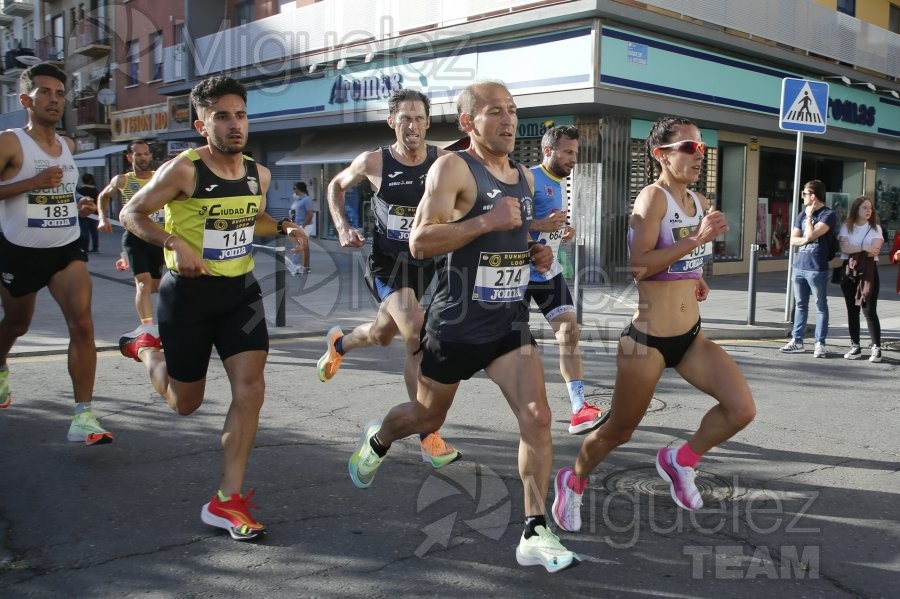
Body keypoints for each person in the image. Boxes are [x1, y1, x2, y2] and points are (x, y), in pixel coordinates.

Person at [347, 81, 580, 573]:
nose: (509, 120)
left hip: (506, 323)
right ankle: (380, 438)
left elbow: (516, 233)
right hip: (454, 325)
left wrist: (532, 250)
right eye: (496, 111)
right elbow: (420, 242)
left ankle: (535, 531)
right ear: (469, 122)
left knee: (537, 416)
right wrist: (485, 222)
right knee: (425, 419)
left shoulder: (522, 174)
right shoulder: (452, 167)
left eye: (513, 111)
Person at [117, 75, 308, 541]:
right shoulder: (183, 170)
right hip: (187, 296)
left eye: (240, 115)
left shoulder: (256, 173)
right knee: (187, 403)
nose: (234, 124)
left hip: (239, 293)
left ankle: (227, 500)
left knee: (251, 389)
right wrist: (173, 241)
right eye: (222, 116)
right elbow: (132, 214)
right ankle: (146, 348)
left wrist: (284, 227)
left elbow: (251, 220)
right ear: (202, 123)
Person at [551, 116, 755, 533]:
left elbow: (677, 258)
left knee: (741, 410)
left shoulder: (698, 200)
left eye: (702, 148)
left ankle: (681, 460)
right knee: (618, 431)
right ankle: (572, 482)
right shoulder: (652, 198)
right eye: (689, 148)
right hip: (646, 340)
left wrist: (694, 275)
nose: (699, 155)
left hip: (691, 338)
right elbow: (639, 266)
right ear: (661, 154)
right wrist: (696, 241)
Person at [320, 89, 460, 468]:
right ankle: (426, 431)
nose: (412, 125)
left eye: (419, 118)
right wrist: (342, 225)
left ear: (429, 123)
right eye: (405, 118)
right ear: (392, 122)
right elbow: (336, 185)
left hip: (426, 263)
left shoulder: (444, 161)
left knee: (383, 335)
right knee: (414, 331)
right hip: (387, 264)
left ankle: (340, 344)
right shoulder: (374, 161)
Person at [0, 64, 112, 444]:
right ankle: (0, 366)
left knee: (82, 324)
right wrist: (32, 182)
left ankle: (83, 416)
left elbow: (58, 192)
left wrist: (76, 203)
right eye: (45, 92)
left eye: (60, 93)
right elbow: (32, 187)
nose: (54, 99)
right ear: (25, 99)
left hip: (65, 247)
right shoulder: (10, 142)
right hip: (20, 252)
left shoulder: (68, 144)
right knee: (17, 324)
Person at [525, 125, 605, 435]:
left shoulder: (560, 183)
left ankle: (578, 407)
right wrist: (542, 225)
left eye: (576, 152)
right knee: (511, 349)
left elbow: (546, 227)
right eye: (568, 152)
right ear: (548, 151)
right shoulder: (529, 178)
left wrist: (561, 232)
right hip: (517, 272)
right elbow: (507, 222)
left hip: (547, 271)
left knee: (570, 331)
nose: (574, 158)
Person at [97, 140, 163, 327]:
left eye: (146, 154)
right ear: (129, 158)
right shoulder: (122, 180)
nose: (143, 158)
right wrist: (103, 218)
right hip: (135, 237)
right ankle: (147, 329)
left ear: (151, 156)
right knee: (143, 283)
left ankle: (125, 259)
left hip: (157, 237)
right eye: (138, 154)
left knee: (154, 286)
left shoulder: (160, 177)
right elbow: (103, 196)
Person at [780, 180, 837, 358]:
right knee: (800, 305)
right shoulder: (801, 214)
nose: (802, 196)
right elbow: (792, 240)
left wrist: (810, 217)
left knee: (820, 306)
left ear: (813, 196)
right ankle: (797, 341)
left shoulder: (828, 214)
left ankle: (820, 343)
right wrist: (805, 239)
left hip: (816, 267)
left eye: (804, 193)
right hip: (799, 266)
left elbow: (812, 234)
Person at [838, 196, 884, 362]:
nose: (868, 210)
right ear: (856, 209)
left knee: (869, 311)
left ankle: (876, 348)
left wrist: (856, 248)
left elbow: (875, 251)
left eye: (870, 208)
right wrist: (865, 247)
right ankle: (855, 346)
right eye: (864, 207)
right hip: (850, 271)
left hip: (869, 272)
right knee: (852, 310)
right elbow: (844, 247)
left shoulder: (875, 228)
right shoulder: (846, 227)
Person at [288, 181, 316, 274]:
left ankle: (299, 265)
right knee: (303, 246)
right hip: (297, 224)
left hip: (304, 225)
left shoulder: (306, 199)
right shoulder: (299, 199)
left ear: (299, 189)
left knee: (300, 245)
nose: (294, 190)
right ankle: (305, 266)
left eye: (295, 188)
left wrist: (303, 225)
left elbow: (310, 213)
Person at [76, 173, 100, 253]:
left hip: (82, 213)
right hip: (94, 214)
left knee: (84, 231)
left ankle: (85, 248)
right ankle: (95, 248)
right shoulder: (95, 190)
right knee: (94, 232)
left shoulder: (80, 190)